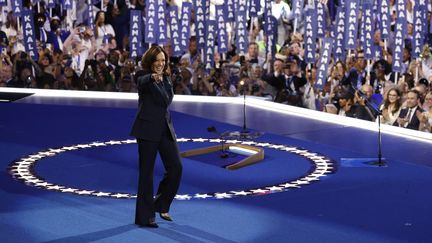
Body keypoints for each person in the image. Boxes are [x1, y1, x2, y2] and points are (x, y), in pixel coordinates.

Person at [130, 45, 183, 228]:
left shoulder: (166, 78)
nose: (160, 64)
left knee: (176, 167)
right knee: (147, 174)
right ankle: (144, 217)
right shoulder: (143, 76)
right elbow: (140, 81)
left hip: (165, 129)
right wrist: (152, 78)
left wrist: (163, 79)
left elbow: (167, 100)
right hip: (147, 130)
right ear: (150, 61)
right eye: (157, 60)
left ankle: (160, 204)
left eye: (163, 60)